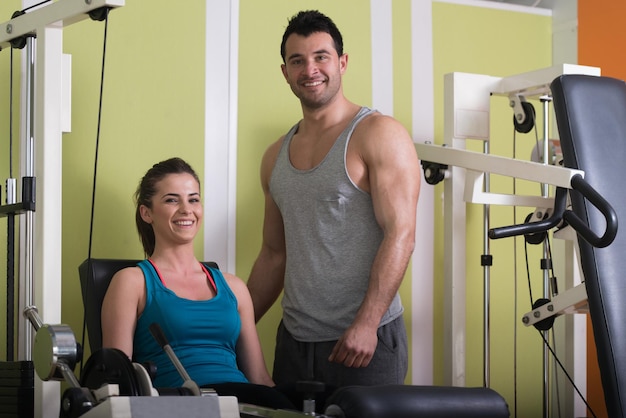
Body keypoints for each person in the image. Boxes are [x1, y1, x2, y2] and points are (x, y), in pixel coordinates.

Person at [247, 9, 421, 390]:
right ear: (285, 71)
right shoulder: (274, 156)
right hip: (293, 343)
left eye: (321, 56)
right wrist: (236, 327)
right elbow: (273, 255)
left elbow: (401, 235)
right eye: (297, 60)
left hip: (364, 341)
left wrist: (367, 323)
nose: (310, 69)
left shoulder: (378, 133)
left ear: (342, 62)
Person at [101, 157, 295, 409]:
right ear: (146, 213)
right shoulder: (132, 282)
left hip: (244, 402)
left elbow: (259, 378)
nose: (186, 209)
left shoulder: (234, 287)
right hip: (179, 404)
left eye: (193, 199)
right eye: (172, 199)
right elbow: (118, 383)